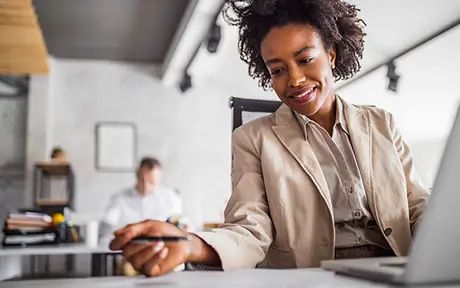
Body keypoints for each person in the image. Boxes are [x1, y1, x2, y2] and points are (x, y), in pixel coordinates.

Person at [110, 0, 429, 276]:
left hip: (397, 272)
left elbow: (416, 208)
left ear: (331, 55)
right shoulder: (253, 139)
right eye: (277, 70)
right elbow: (250, 230)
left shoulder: (381, 123)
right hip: (312, 278)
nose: (295, 79)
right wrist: (191, 244)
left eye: (305, 59)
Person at [99, 157, 183, 241]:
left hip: (163, 245)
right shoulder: (120, 198)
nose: (146, 186)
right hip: (129, 246)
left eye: (151, 182)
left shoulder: (171, 197)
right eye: (142, 180)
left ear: (159, 179)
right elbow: (107, 224)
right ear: (136, 175)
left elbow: (179, 222)